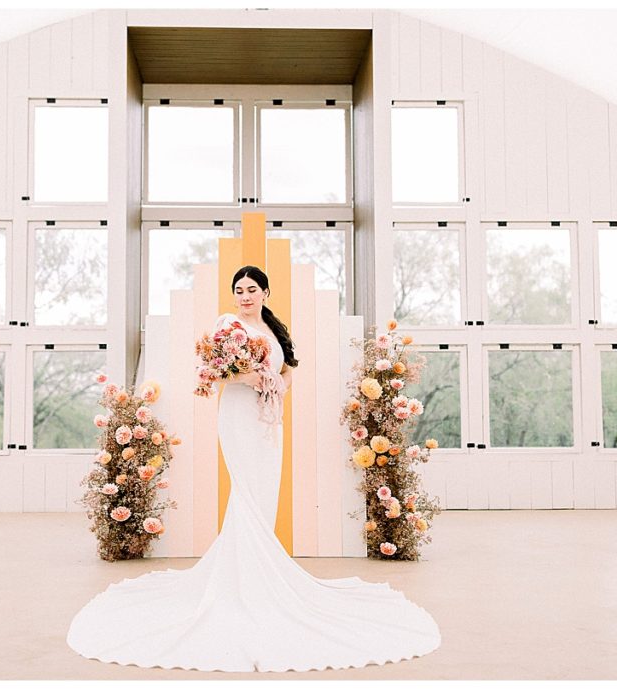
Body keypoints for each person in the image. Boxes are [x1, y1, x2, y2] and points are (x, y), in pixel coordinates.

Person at [66, 265, 441, 672]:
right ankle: (241, 582)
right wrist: (255, 377)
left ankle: (262, 574)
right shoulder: (226, 325)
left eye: (251, 289)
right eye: (239, 290)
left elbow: (289, 371)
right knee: (245, 489)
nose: (245, 296)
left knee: (263, 493)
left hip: (268, 421)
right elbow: (218, 373)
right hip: (238, 416)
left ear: (265, 291)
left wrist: (276, 382)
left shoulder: (275, 329)